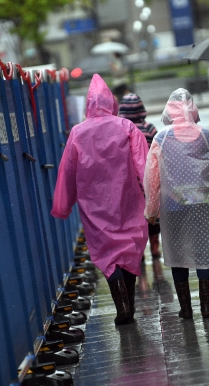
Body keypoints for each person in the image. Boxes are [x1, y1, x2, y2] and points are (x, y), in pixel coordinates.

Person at [51, 74, 148, 325]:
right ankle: (129, 305)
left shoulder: (77, 133)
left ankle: (122, 308)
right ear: (112, 102)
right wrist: (154, 196)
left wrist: (63, 205)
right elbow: (144, 166)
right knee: (130, 250)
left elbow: (67, 172)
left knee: (107, 254)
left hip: (94, 205)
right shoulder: (127, 127)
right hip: (128, 200)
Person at [144, 88, 209, 319]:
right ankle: (206, 307)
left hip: (173, 206)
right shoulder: (206, 135)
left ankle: (185, 308)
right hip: (203, 202)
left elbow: (153, 176)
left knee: (178, 252)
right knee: (205, 250)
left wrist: (151, 209)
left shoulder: (161, 138)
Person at [118, 94, 163, 278]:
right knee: (153, 214)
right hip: (149, 179)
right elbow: (160, 151)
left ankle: (140, 250)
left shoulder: (121, 130)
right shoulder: (150, 128)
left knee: (135, 218)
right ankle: (154, 244)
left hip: (130, 183)